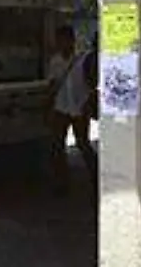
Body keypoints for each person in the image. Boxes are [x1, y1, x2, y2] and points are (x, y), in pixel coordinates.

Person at [46, 25, 98, 194]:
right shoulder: (55, 61)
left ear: (72, 41)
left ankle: (96, 177)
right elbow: (52, 84)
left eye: (64, 40)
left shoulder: (82, 59)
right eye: (59, 40)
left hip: (79, 107)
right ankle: (62, 182)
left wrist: (89, 102)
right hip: (61, 107)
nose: (61, 44)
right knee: (57, 146)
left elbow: (91, 83)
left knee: (83, 143)